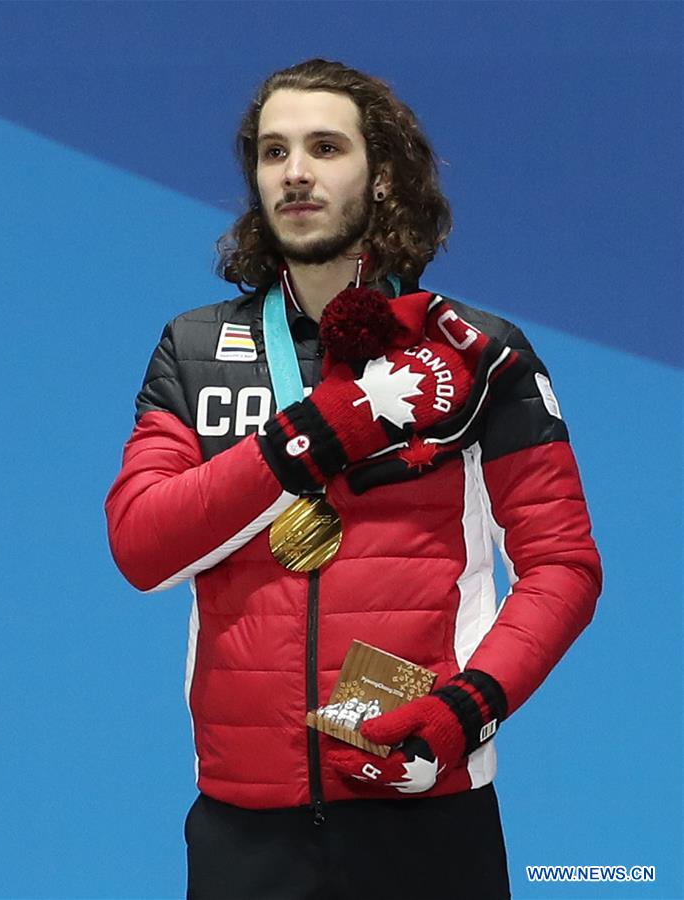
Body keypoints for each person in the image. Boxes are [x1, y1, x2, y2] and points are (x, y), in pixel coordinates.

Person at [105, 59, 602, 900]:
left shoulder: (476, 353)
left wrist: (466, 711)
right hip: (242, 828)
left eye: (325, 147)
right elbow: (143, 545)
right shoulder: (193, 349)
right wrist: (326, 429)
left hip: (427, 805)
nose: (294, 171)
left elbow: (564, 566)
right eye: (273, 152)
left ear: (383, 180)